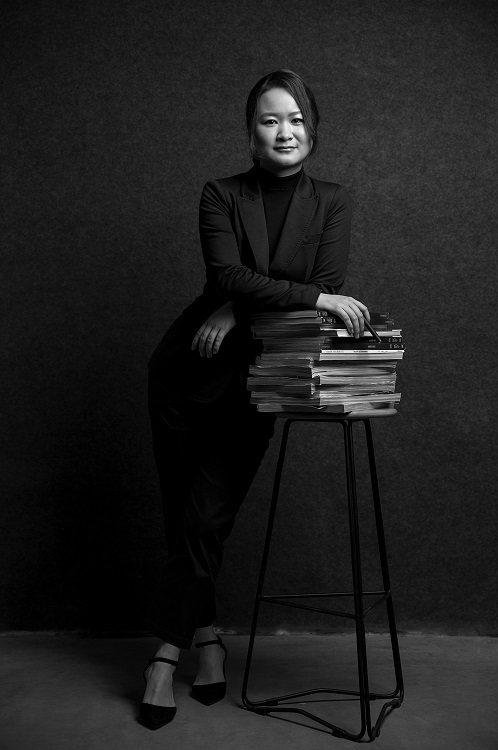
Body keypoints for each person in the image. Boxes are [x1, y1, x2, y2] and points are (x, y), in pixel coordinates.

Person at [141, 69, 370, 730]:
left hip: (260, 378)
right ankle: (207, 641)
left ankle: (164, 657)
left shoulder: (332, 201)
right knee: (182, 516)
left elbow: (324, 281)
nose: (284, 131)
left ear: (312, 128)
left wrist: (237, 308)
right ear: (251, 133)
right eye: (270, 120)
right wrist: (281, 297)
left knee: (206, 520)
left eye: (295, 118)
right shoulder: (220, 193)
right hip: (186, 372)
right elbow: (228, 273)